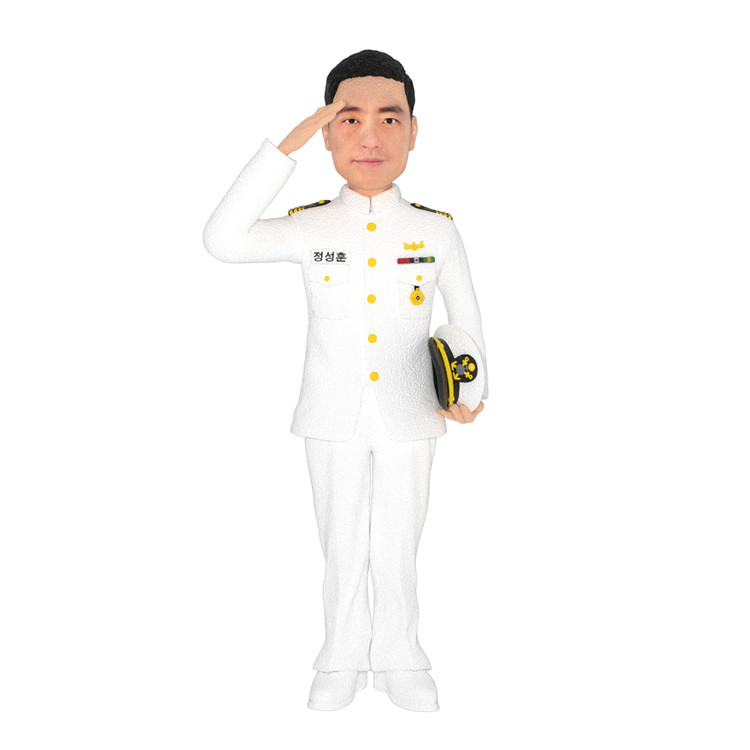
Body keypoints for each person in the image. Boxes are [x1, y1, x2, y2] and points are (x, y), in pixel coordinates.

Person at [203, 49, 487, 712]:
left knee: (399, 541)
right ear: (328, 133)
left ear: (413, 131)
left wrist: (471, 393)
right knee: (340, 540)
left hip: (412, 410)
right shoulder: (310, 226)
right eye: (348, 118)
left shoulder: (435, 230)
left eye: (390, 118)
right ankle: (340, 659)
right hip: (331, 411)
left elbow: (466, 319)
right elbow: (222, 239)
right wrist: (287, 145)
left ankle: (401, 659)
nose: (370, 136)